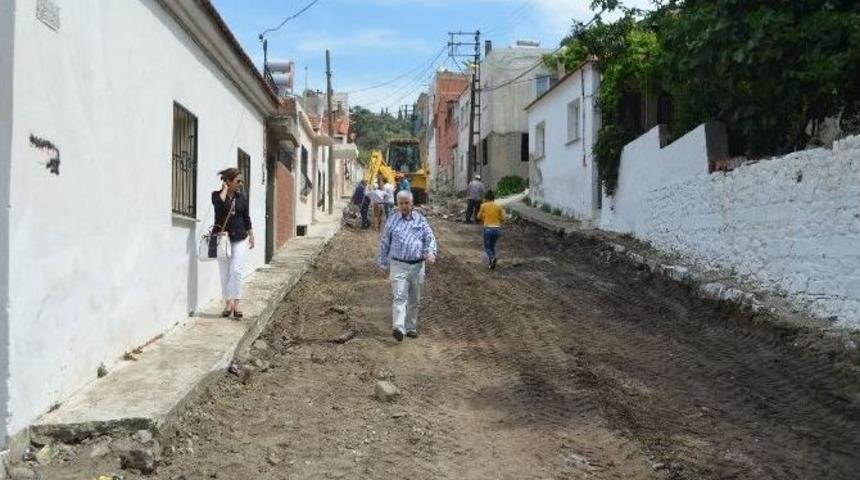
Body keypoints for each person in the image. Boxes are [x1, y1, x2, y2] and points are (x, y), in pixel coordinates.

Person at [378, 190, 437, 341]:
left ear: (411, 203)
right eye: (401, 203)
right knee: (399, 296)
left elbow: (429, 237)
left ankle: (411, 327)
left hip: (417, 266)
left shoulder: (420, 220)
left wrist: (430, 252)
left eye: (407, 203)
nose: (404, 206)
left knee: (414, 299)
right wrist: (383, 263)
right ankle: (398, 327)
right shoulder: (392, 221)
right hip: (398, 264)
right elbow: (384, 242)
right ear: (397, 204)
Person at [212, 168, 255, 319]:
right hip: (222, 240)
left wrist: (251, 235)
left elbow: (246, 218)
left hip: (239, 238)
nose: (241, 184)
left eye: (241, 181)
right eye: (238, 181)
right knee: (224, 273)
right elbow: (219, 207)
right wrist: (224, 189)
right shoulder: (216, 196)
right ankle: (228, 303)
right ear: (228, 181)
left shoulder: (242, 198)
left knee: (236, 270)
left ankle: (236, 303)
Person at [477, 190, 505, 270]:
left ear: (486, 198)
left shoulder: (483, 205)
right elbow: (503, 218)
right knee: (492, 246)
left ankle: (493, 258)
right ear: (493, 198)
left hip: (488, 229)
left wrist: (484, 217)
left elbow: (478, 217)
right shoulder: (499, 206)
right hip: (497, 229)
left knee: (487, 247)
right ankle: (491, 263)